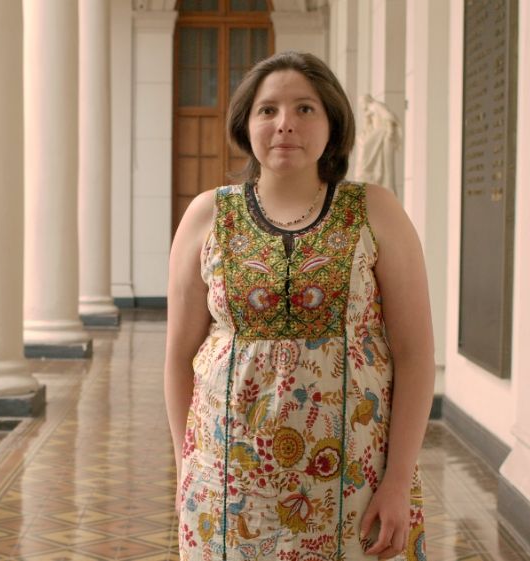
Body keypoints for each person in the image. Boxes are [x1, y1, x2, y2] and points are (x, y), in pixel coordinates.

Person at [164, 51, 434, 561]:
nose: (285, 124)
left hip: (354, 478)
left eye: (305, 109)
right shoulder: (207, 215)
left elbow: (415, 353)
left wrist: (397, 480)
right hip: (227, 482)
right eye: (268, 110)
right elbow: (180, 356)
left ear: (333, 123)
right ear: (246, 123)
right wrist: (188, 467)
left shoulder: (374, 210)